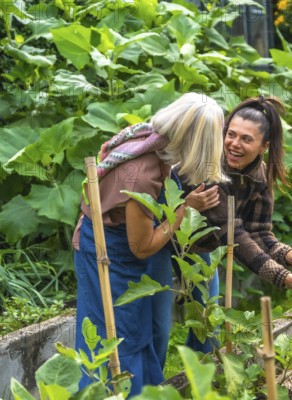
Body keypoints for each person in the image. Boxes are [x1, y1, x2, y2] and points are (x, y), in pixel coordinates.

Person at [72, 93, 226, 395]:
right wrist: (187, 208)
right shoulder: (142, 174)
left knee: (136, 333)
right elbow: (141, 247)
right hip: (108, 254)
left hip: (120, 242)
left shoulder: (153, 139)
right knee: (115, 340)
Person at [178, 95, 292, 352]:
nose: (234, 144)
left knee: (208, 330)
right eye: (231, 134)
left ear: (264, 146)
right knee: (154, 328)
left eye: (246, 139)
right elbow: (230, 230)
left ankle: (198, 385)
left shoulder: (260, 176)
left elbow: (259, 232)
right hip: (164, 243)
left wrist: (287, 254)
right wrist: (279, 275)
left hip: (197, 252)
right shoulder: (210, 163)